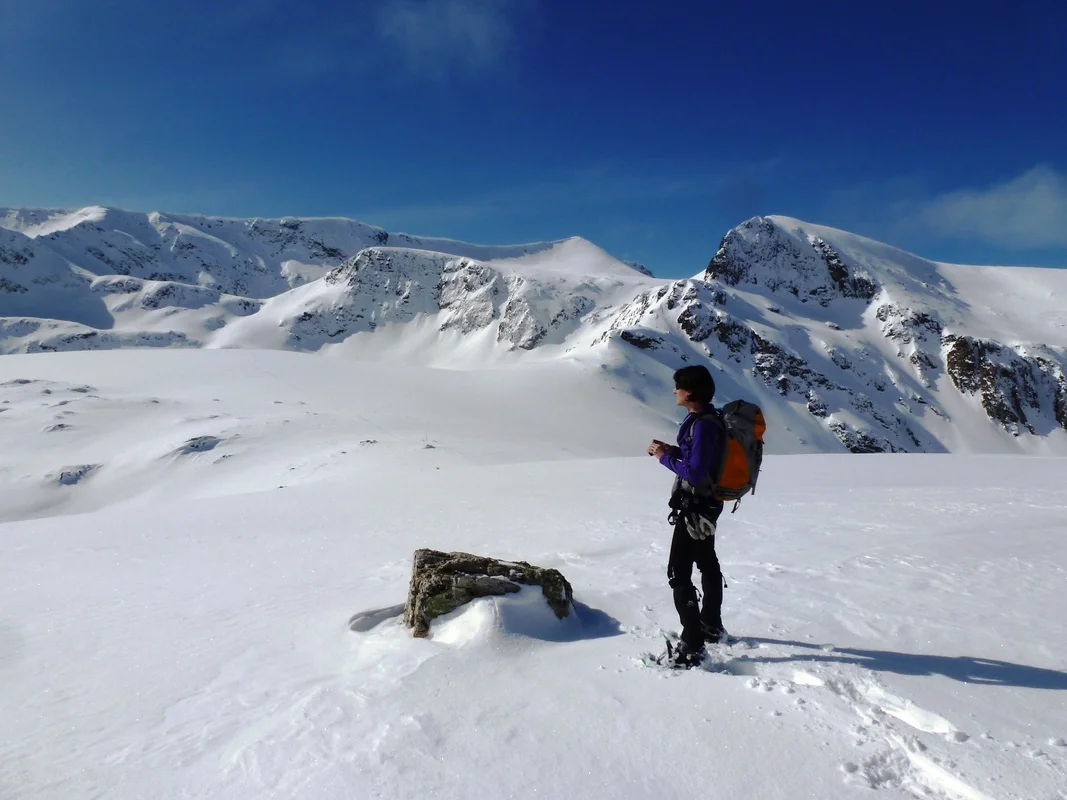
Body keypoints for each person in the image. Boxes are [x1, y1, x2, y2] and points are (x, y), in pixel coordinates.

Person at [647, 365, 726, 669]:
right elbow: (697, 459)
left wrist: (664, 457)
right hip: (704, 505)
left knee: (678, 572)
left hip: (696, 508)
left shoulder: (703, 424)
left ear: (690, 392)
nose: (674, 391)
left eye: (678, 386)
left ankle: (692, 644)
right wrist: (673, 451)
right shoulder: (703, 421)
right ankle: (711, 624)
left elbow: (695, 471)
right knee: (706, 561)